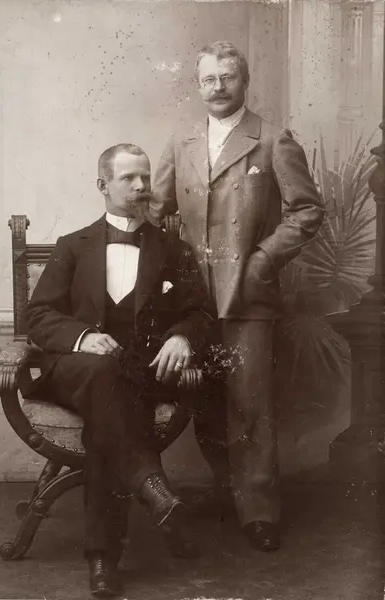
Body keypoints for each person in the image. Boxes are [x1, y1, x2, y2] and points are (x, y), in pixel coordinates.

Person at [151, 41, 325, 553]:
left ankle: (259, 511)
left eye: (227, 77)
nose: (218, 87)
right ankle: (228, 492)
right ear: (197, 85)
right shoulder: (180, 142)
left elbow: (307, 211)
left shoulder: (272, 139)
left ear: (244, 82)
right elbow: (157, 211)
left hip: (247, 295)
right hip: (191, 300)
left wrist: (263, 260)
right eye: (209, 79)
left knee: (250, 404)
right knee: (204, 400)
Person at [24, 143, 214, 598]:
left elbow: (202, 314)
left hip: (138, 375)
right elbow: (39, 315)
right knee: (103, 377)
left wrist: (182, 337)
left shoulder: (173, 249)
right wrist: (82, 338)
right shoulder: (73, 246)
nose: (141, 186)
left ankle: (102, 557)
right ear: (103, 185)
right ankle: (153, 489)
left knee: (106, 417)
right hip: (76, 370)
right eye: (129, 178)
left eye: (145, 177)